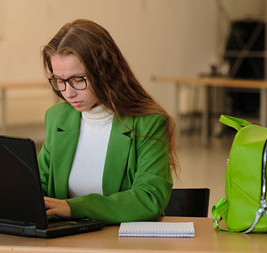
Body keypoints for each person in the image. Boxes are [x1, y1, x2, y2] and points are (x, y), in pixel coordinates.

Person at [38, 19, 178, 224]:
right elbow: (38, 185)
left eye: (78, 80)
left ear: (105, 71)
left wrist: (73, 207)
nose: (68, 92)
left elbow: (149, 197)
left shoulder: (148, 122)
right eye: (60, 80)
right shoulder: (57, 117)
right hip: (66, 241)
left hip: (122, 242)